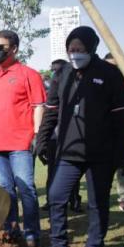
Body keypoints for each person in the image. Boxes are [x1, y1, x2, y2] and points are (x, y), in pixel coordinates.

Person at [36, 26, 124, 247]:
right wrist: (42, 141)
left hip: (102, 153)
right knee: (57, 197)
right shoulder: (62, 74)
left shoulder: (110, 74)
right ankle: (59, 246)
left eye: (79, 49)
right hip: (69, 151)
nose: (75, 53)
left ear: (91, 48)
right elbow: (50, 112)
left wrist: (122, 153)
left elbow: (122, 117)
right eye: (71, 49)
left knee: (97, 203)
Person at [0, 30, 45, 247]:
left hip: (21, 143)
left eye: (0, 47)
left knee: (26, 189)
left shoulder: (29, 74)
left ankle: (32, 234)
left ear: (14, 49)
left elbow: (38, 106)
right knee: (4, 191)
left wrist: (37, 134)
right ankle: (10, 230)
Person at [40, 59, 82, 214]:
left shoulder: (74, 88)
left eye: (57, 69)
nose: (54, 72)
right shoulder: (47, 89)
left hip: (70, 139)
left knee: (72, 172)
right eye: (52, 69)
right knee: (52, 172)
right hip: (53, 138)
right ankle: (50, 201)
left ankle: (75, 200)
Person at [104, 53, 124, 213]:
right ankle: (100, 198)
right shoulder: (96, 80)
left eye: (115, 66)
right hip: (100, 132)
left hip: (121, 132)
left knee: (122, 166)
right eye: (109, 65)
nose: (112, 69)